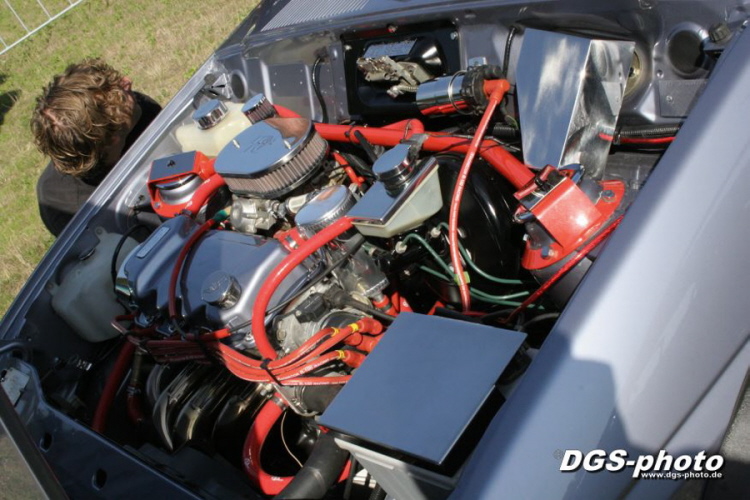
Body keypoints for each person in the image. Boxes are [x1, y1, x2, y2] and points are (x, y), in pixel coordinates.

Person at [32, 59, 162, 236]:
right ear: (113, 140)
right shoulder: (66, 207)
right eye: (121, 97)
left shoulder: (139, 110)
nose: (127, 81)